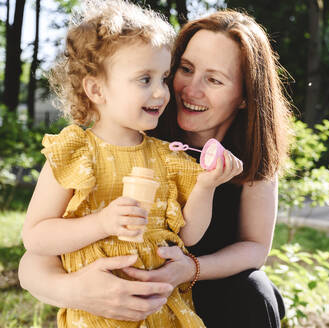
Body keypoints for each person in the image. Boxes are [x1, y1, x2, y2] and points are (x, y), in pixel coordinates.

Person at [19, 9, 293, 328]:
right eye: (185, 69)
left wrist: (191, 267)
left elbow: (254, 248)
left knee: (253, 291)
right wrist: (77, 291)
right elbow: (32, 259)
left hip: (198, 296)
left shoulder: (243, 155)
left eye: (214, 79)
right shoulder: (132, 128)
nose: (188, 89)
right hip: (116, 297)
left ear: (245, 95)